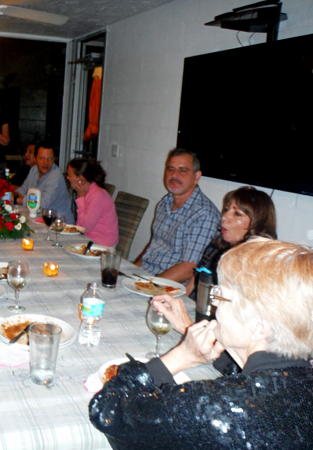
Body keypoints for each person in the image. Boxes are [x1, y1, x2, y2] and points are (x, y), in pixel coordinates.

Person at [90, 237, 313, 449]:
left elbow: (107, 411)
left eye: (220, 296)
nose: (214, 307)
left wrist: (182, 356)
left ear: (258, 326)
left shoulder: (213, 408)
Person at [152, 186, 277, 339]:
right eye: (226, 210)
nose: (225, 217)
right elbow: (192, 283)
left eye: (237, 213)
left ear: (258, 223)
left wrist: (187, 325)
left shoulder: (258, 264)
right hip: (196, 317)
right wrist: (173, 305)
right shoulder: (216, 247)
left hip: (224, 333)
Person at [135, 148, 219, 283]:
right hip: (146, 276)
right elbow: (154, 244)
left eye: (183, 170)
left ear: (196, 177)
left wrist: (147, 285)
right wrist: (131, 272)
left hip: (170, 288)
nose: (174, 175)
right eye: (170, 169)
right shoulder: (165, 203)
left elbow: (188, 268)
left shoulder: (204, 214)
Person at [14, 142, 74, 224]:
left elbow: (42, 204)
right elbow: (24, 189)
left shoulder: (55, 176)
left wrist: (17, 199)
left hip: (60, 224)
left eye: (49, 159)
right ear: (35, 159)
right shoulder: (34, 169)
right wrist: (16, 195)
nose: (46, 163)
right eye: (42, 158)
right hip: (41, 220)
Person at [66, 158, 118, 247]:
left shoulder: (97, 195)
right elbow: (80, 225)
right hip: (88, 241)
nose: (67, 177)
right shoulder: (87, 193)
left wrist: (81, 198)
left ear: (81, 179)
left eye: (70, 175)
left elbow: (84, 227)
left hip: (102, 245)